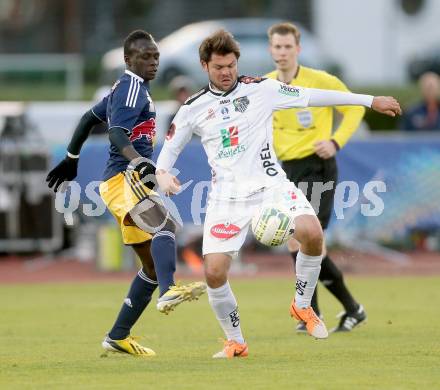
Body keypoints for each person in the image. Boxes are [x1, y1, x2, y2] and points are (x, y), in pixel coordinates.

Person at [155, 30, 401, 358]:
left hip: (272, 185)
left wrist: (370, 101)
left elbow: (314, 96)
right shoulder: (192, 109)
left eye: (230, 65)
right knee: (213, 273)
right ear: (204, 66)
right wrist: (163, 175)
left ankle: (302, 306)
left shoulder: (263, 89)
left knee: (312, 233)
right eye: (218, 67)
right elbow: (167, 155)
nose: (226, 72)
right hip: (226, 199)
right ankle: (235, 341)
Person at [46, 30, 206, 357]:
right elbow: (116, 133)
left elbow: (87, 119)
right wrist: (141, 164)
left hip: (121, 181)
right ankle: (169, 290)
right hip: (125, 177)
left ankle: (117, 336)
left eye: (156, 57)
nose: (152, 63)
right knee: (167, 227)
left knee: (150, 265)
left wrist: (72, 159)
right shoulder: (132, 88)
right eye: (145, 57)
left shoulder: (128, 88)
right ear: (128, 59)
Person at [266, 22, 367, 333]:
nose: (282, 52)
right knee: (295, 246)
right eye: (277, 47)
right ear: (271, 50)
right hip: (286, 172)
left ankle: (350, 309)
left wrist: (335, 141)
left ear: (298, 49)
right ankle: (313, 312)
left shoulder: (319, 81)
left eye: (287, 47)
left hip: (317, 167)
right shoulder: (267, 85)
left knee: (310, 243)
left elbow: (355, 107)